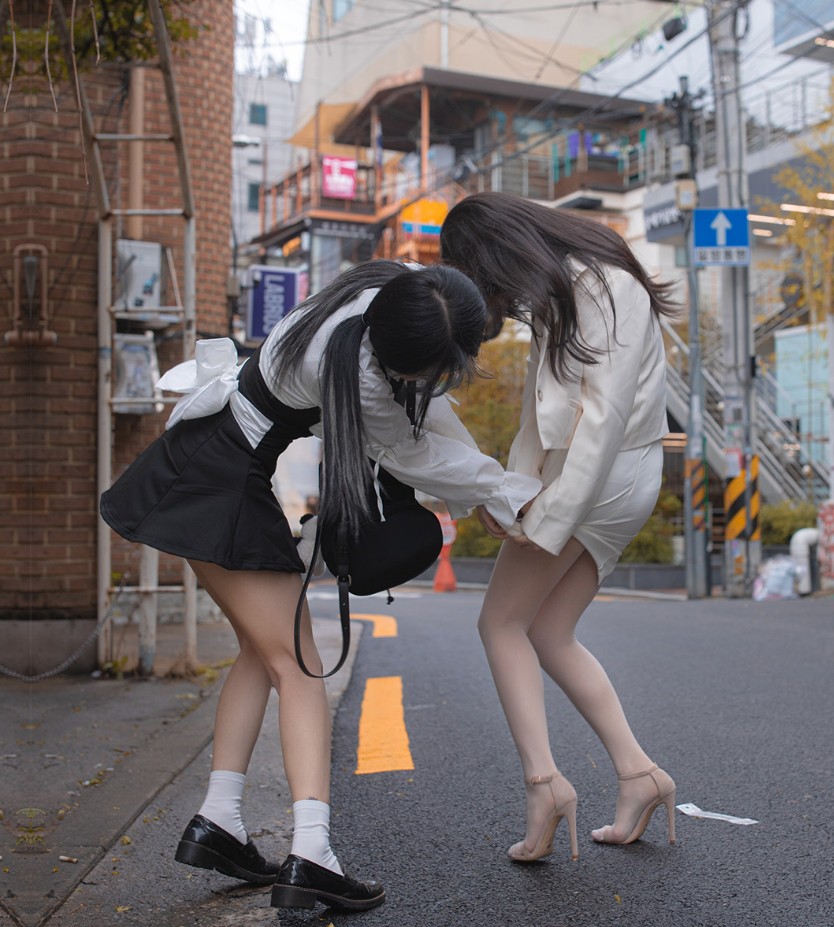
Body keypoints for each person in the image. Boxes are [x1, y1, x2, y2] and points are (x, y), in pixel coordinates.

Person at [100, 259, 541, 910]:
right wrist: (505, 491)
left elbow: (429, 421)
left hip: (207, 462)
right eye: (427, 374)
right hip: (220, 483)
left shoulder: (391, 294)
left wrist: (487, 487)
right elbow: (415, 451)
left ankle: (218, 820)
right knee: (301, 667)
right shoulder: (362, 379)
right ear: (400, 358)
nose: (431, 385)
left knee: (263, 652)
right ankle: (313, 852)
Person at [439, 192, 679, 862]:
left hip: (600, 481)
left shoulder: (603, 286)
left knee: (499, 623)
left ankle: (544, 785)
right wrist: (513, 496)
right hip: (602, 481)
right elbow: (537, 419)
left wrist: (543, 517)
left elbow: (601, 422)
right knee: (547, 630)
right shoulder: (565, 290)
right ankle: (639, 774)